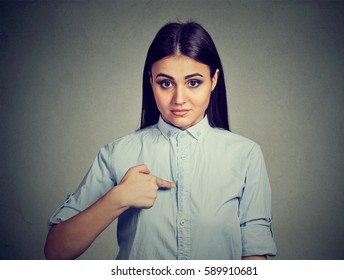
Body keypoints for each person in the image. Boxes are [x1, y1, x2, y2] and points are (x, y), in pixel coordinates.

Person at [44, 21, 277, 260]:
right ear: (151, 80)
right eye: (165, 83)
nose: (179, 98)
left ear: (214, 80)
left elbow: (255, 254)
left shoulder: (245, 155)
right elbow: (55, 251)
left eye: (193, 82)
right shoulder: (116, 154)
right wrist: (117, 197)